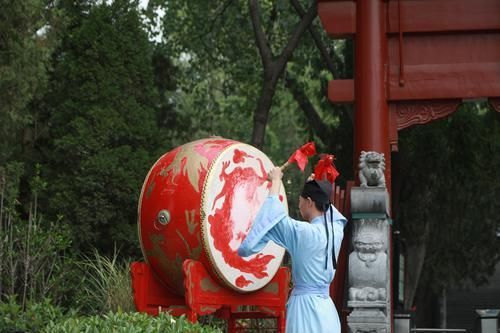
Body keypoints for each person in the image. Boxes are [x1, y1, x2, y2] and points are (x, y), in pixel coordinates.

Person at [238, 167, 347, 333]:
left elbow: (272, 218)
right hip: (327, 311)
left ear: (309, 202)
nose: (299, 204)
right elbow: (330, 211)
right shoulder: (336, 230)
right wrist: (318, 187)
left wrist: (275, 181)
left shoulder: (303, 232)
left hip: (304, 309)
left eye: (300, 200)